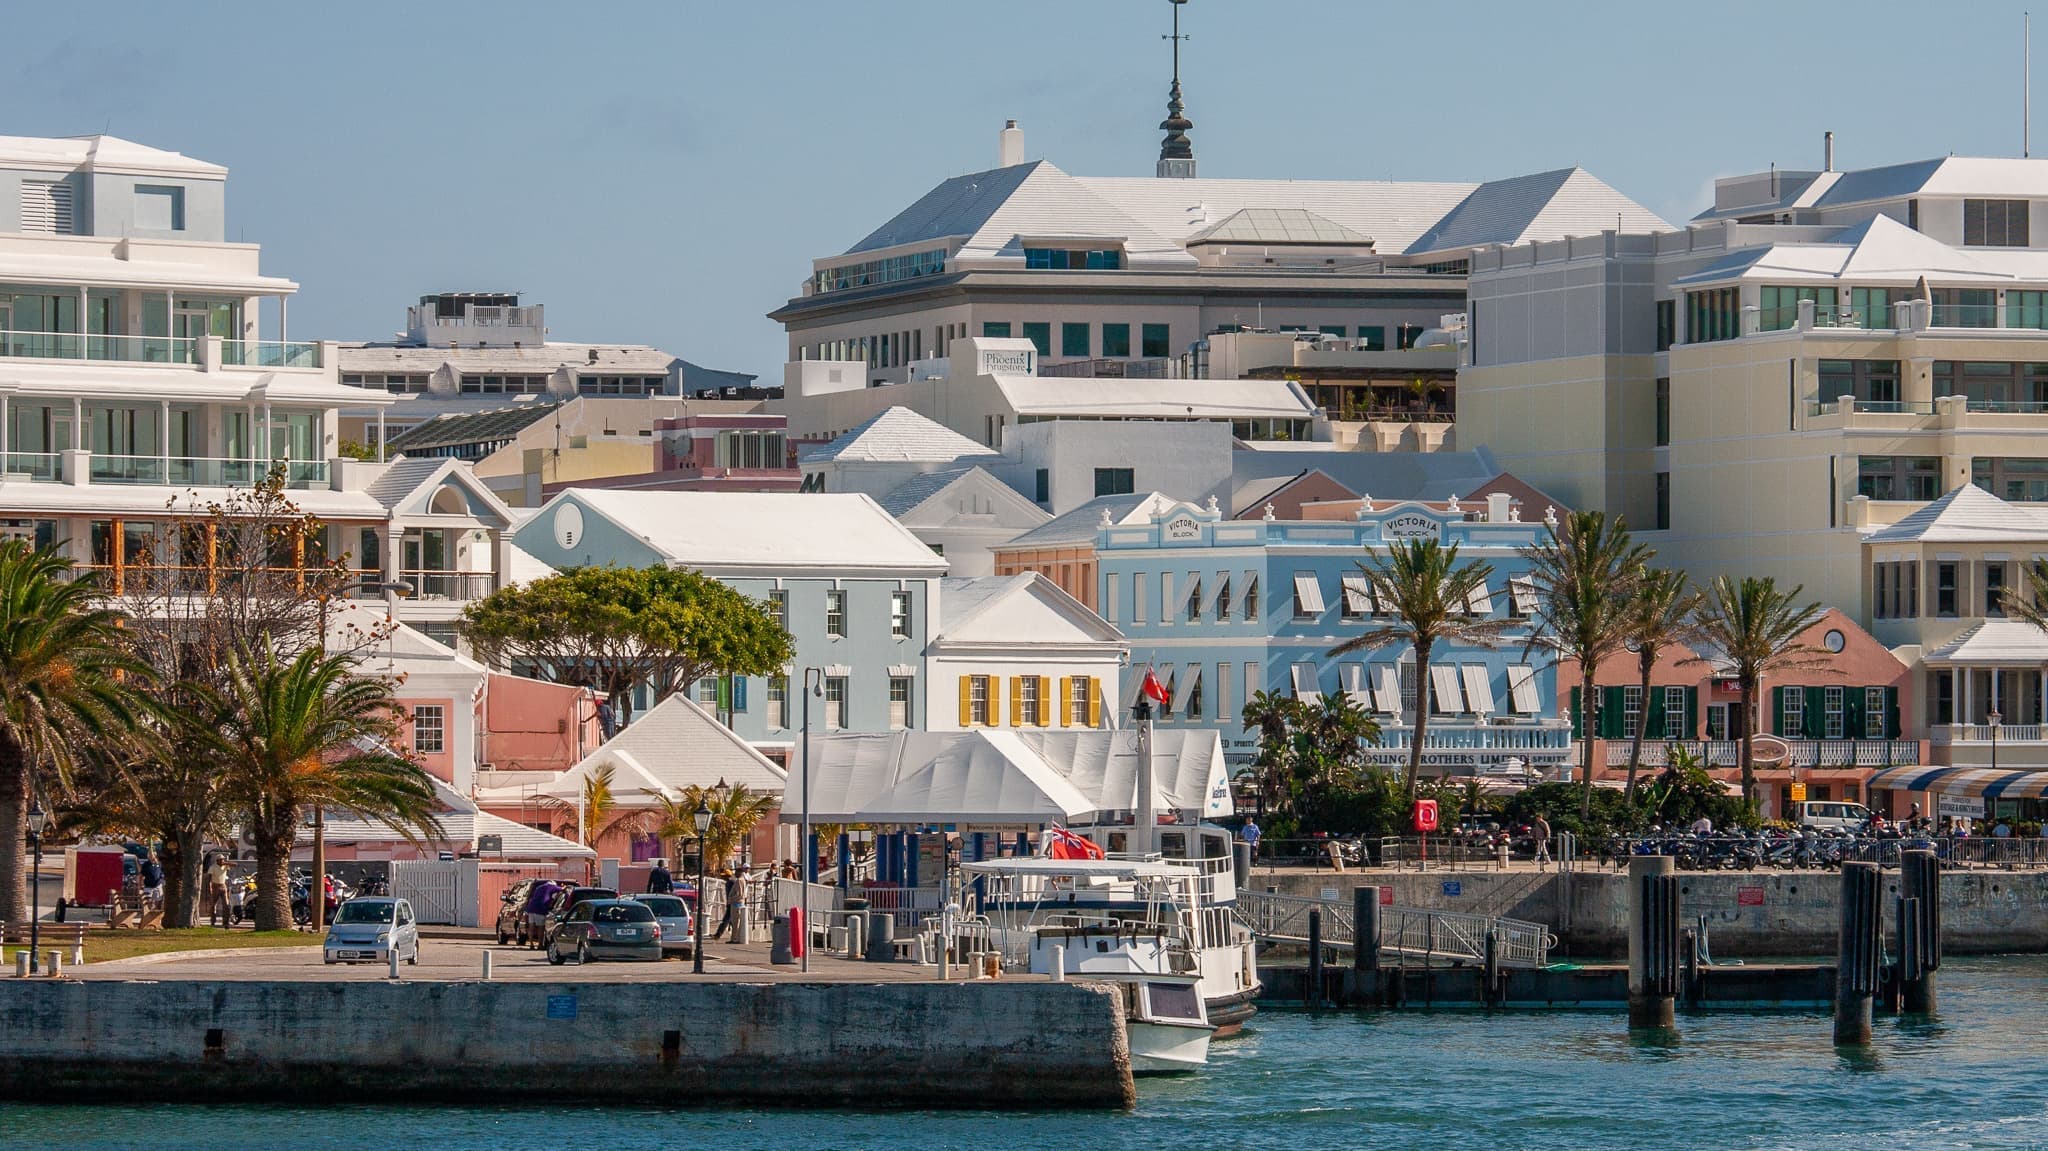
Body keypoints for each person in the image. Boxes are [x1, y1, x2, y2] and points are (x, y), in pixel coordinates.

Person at [525, 878, 561, 947]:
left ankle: (531, 944)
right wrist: (565, 887)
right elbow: (561, 889)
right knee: (541, 927)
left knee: (531, 926)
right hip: (540, 908)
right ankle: (540, 944)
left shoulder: (539, 887)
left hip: (531, 908)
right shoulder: (551, 886)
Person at [204, 853, 231, 928]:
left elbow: (235, 864)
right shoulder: (213, 867)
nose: (223, 861)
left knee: (226, 905)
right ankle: (213, 921)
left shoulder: (225, 866)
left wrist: (226, 863)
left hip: (223, 886)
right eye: (221, 860)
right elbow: (209, 878)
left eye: (223, 859)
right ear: (217, 861)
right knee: (213, 905)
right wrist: (210, 888)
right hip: (215, 886)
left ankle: (226, 922)